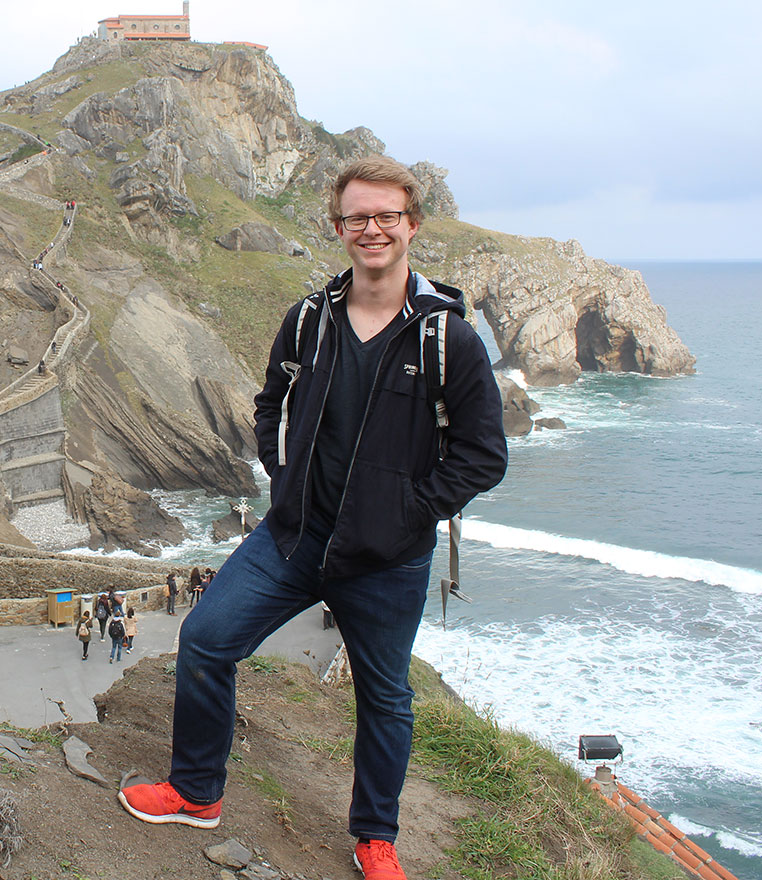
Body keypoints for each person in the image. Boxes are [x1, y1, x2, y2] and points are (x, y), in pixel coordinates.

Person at [117, 155, 507, 880]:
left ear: (412, 225)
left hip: (387, 560)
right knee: (205, 639)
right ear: (338, 227)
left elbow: (483, 458)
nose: (372, 229)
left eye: (387, 216)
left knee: (385, 698)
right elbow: (271, 403)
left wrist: (405, 514)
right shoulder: (307, 321)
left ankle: (374, 838)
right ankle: (197, 791)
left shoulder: (447, 340)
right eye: (358, 217)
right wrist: (283, 471)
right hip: (294, 536)